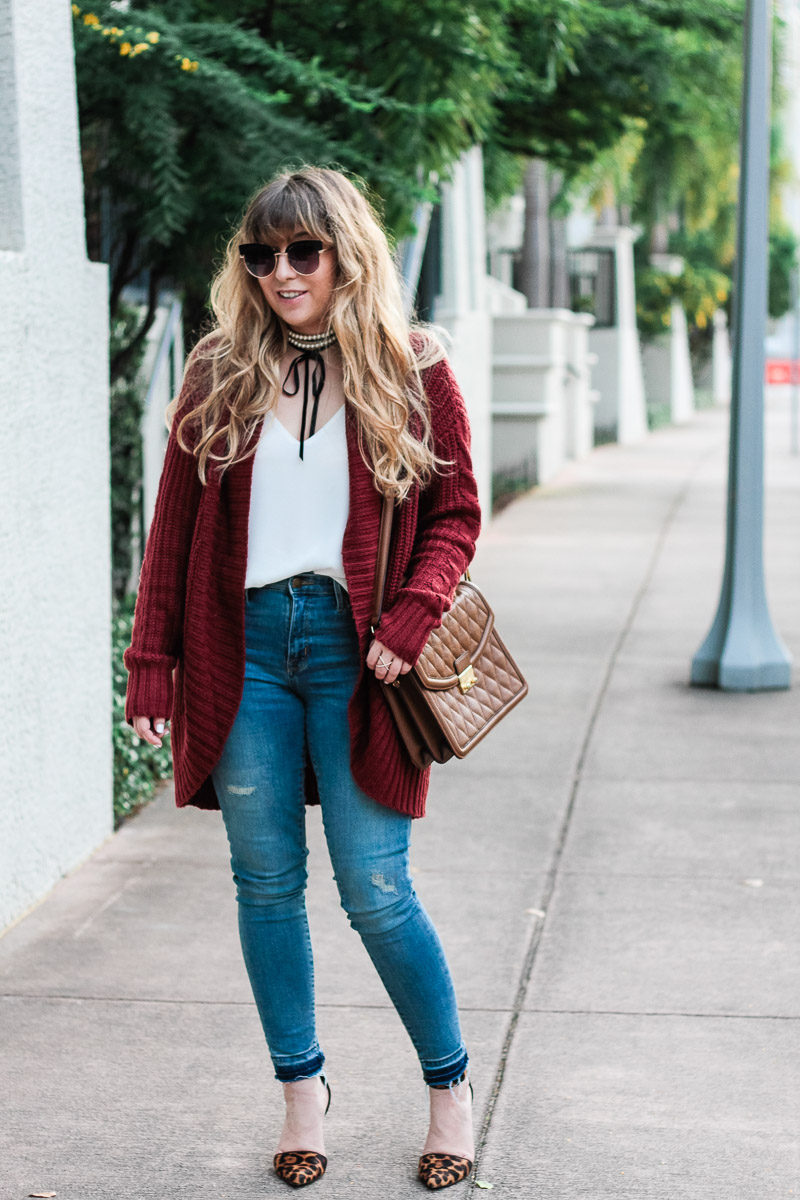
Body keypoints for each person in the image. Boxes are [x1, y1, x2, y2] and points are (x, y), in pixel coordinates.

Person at [124, 166, 481, 1191]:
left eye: (301, 252)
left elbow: (454, 515)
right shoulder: (219, 370)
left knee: (375, 888)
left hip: (355, 651)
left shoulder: (412, 369)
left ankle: (448, 1086)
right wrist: (153, 662)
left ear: (345, 256)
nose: (280, 272)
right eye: (261, 254)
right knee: (265, 882)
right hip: (242, 648)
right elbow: (172, 532)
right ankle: (300, 1090)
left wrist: (412, 614)